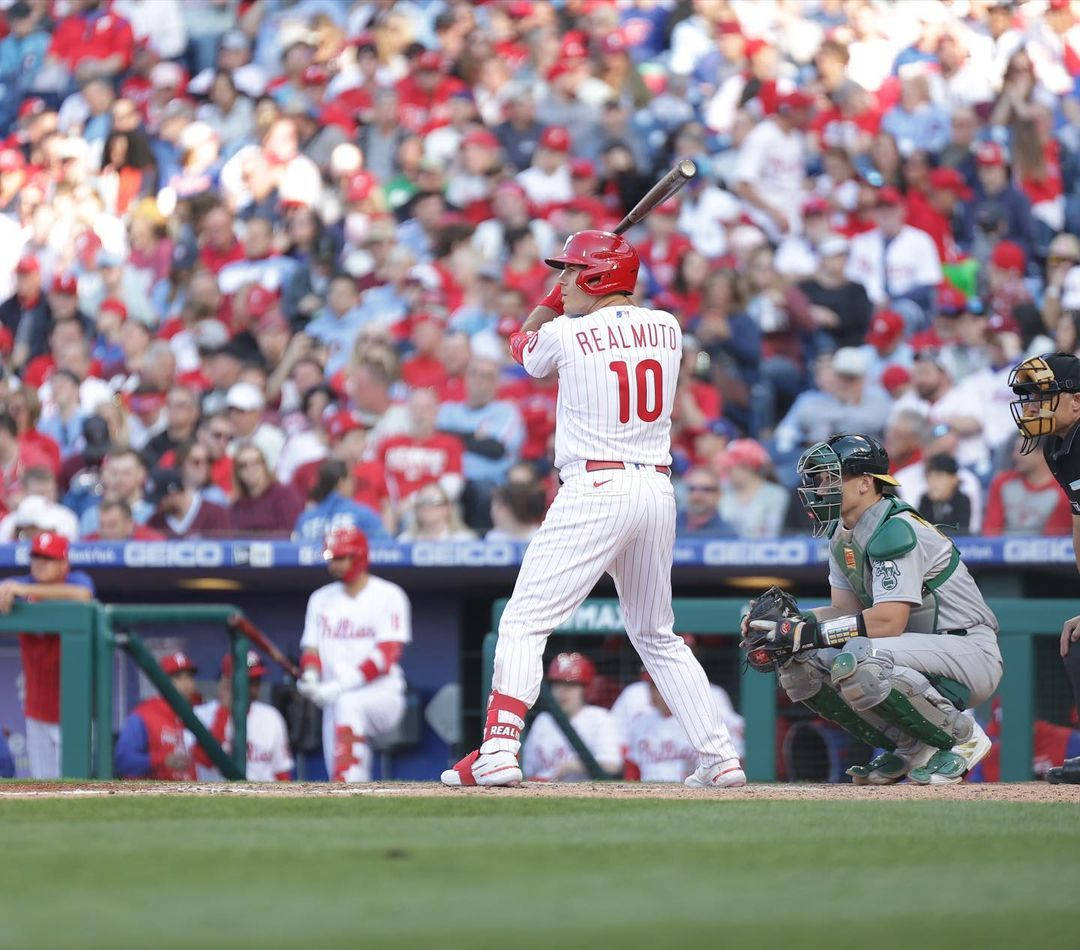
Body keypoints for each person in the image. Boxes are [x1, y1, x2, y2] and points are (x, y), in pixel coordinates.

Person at [441, 229, 743, 789]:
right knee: (657, 633)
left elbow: (523, 353)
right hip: (655, 492)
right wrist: (571, 293)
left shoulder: (563, 332)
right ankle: (720, 756)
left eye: (570, 271)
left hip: (596, 489)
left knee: (525, 619)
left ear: (597, 278)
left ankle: (500, 749)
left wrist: (546, 305)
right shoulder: (668, 328)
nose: (561, 281)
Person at [743, 434, 1000, 785]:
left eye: (830, 478)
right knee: (800, 665)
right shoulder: (843, 534)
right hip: (915, 650)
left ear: (865, 483)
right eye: (818, 480)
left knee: (860, 659)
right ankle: (913, 746)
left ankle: (964, 737)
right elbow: (842, 611)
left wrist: (808, 633)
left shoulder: (895, 528)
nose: (820, 489)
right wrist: (790, 626)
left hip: (967, 650)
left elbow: (889, 621)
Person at [1007, 351, 1080, 783]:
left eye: (1043, 396)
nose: (1032, 407)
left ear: (1077, 401)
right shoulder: (1057, 445)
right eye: (1029, 398)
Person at [296, 527, 411, 782]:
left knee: (349, 705)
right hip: (334, 698)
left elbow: (386, 657)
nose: (334, 565)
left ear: (358, 556)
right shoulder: (320, 599)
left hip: (381, 694)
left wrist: (339, 686)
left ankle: (352, 783)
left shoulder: (389, 595)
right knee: (335, 774)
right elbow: (311, 648)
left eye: (340, 558)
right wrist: (312, 676)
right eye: (331, 558)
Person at [0, 532, 95, 778]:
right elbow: (8, 587)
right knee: (43, 789)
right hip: (36, 712)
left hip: (73, 711)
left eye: (48, 558)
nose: (40, 563)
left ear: (64, 563)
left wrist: (27, 589)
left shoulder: (76, 579)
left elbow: (83, 595)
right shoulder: (22, 584)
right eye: (36, 557)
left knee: (76, 789)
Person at [194, 650, 293, 782]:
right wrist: (224, 710)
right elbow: (205, 760)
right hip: (221, 798)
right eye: (248, 681)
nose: (254, 688)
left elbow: (281, 772)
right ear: (227, 683)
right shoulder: (202, 714)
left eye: (257, 681)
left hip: (264, 799)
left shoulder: (271, 716)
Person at [521, 653, 622, 782]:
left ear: (586, 689)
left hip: (581, 792)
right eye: (557, 684)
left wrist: (573, 765)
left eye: (570, 685)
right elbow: (527, 769)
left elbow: (612, 764)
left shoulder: (599, 718)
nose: (561, 692)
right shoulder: (543, 720)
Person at [113, 651, 198, 781]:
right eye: (177, 677)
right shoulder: (144, 714)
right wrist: (162, 759)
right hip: (154, 797)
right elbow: (123, 761)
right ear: (161, 682)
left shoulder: (199, 714)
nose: (186, 683)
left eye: (189, 677)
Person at [983, 437, 1072, 537]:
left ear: (1042, 453)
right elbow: (991, 531)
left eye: (1022, 450)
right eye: (1015, 450)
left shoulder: (1063, 491)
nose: (1014, 456)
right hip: (1001, 549)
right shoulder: (1002, 482)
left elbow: (1055, 539)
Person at [293, 458, 388, 542]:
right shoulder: (363, 514)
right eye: (351, 478)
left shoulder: (305, 518)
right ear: (341, 483)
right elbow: (386, 546)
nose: (354, 483)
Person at [716, 438, 789, 539]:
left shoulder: (775, 494)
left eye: (730, 467)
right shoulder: (724, 492)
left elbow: (772, 533)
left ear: (747, 467)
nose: (727, 472)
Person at [230, 442, 304, 536]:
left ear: (264, 466)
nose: (250, 469)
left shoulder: (284, 494)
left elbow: (291, 531)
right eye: (243, 465)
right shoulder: (237, 506)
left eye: (255, 463)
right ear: (238, 473)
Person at [145, 466, 231, 539]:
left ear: (173, 493)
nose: (156, 505)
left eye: (160, 499)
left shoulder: (215, 514)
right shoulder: (154, 522)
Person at [916, 453, 971, 536]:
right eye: (929, 477)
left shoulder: (962, 500)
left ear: (954, 479)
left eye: (939, 477)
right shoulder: (925, 500)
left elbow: (960, 532)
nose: (932, 483)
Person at [675, 466, 730, 537]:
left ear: (719, 494)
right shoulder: (668, 524)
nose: (697, 495)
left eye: (706, 489)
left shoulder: (727, 535)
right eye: (692, 489)